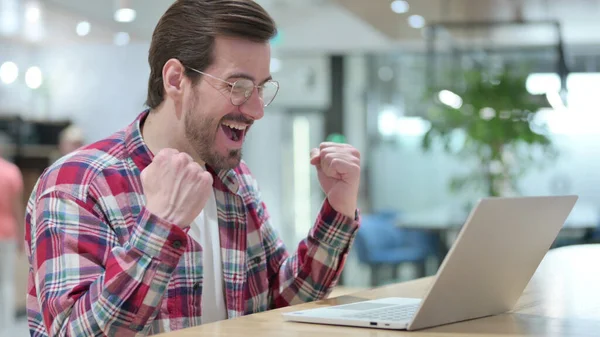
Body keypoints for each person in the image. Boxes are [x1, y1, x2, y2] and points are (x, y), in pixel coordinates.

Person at [24, 1, 362, 336]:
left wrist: (338, 208)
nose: (258, 109)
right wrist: (160, 228)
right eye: (238, 87)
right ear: (175, 79)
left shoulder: (235, 180)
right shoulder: (77, 184)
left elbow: (280, 302)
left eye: (260, 88)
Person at [0, 144, 24, 336]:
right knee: (6, 281)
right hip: (7, 232)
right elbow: (17, 208)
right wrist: (21, 236)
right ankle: (5, 325)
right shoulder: (12, 172)